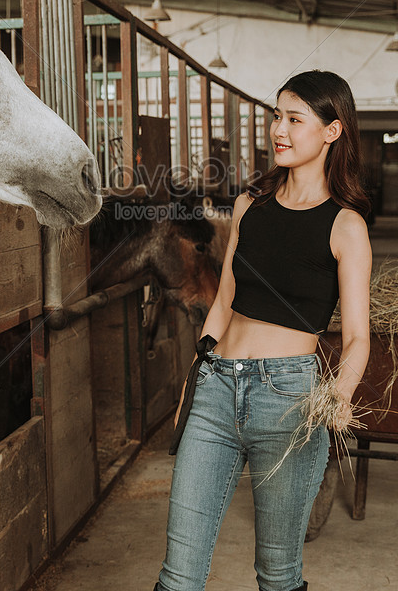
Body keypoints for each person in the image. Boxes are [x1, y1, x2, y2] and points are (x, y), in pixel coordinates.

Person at [155, 70, 373, 591]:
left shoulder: (346, 226)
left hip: (289, 400)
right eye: (277, 116)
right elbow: (225, 298)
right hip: (216, 390)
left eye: (295, 119)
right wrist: (198, 367)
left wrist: (338, 396)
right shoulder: (249, 206)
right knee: (177, 576)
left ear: (332, 131)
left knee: (277, 575)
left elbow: (360, 335)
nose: (279, 129)